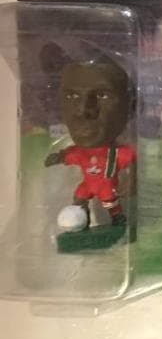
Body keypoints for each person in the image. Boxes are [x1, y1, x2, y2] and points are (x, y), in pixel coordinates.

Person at [44, 56, 134, 229]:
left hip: (105, 186)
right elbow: (70, 155)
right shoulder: (81, 152)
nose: (83, 110)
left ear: (131, 105)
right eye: (72, 95)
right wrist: (57, 157)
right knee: (79, 196)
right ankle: (82, 219)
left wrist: (132, 181)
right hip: (88, 184)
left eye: (102, 95)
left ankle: (117, 218)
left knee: (109, 200)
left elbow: (131, 160)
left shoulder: (115, 153)